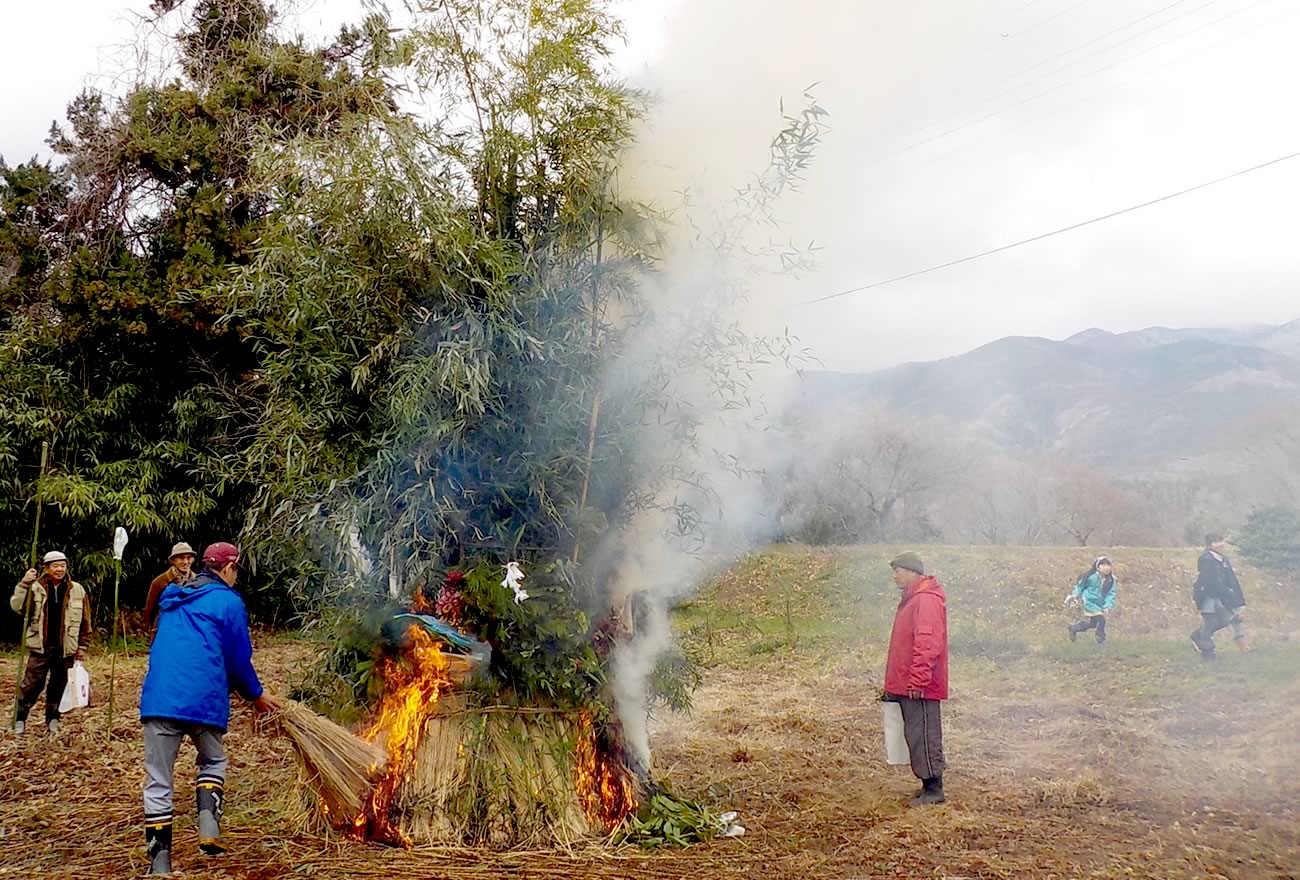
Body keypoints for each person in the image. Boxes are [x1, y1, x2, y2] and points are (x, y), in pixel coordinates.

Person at [138, 541, 272, 875]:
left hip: (159, 698)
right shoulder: (228, 601)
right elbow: (239, 659)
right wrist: (256, 696)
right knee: (213, 760)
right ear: (227, 568)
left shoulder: (172, 598)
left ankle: (160, 865)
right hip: (204, 698)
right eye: (237, 569)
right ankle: (209, 828)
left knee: (158, 781)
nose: (236, 576)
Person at [883, 551, 948, 806]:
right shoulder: (912, 599)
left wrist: (918, 680)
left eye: (898, 570)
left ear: (912, 572)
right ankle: (926, 785)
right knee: (915, 734)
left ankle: (934, 789)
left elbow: (927, 642)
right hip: (909, 682)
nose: (894, 575)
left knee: (925, 733)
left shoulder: (925, 600)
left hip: (920, 685)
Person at [9, 550, 91, 737]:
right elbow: (18, 608)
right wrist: (24, 584)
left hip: (66, 647)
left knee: (58, 685)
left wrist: (83, 645)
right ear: (46, 568)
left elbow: (85, 620)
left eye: (63, 565)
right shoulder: (35, 587)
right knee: (31, 685)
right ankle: (20, 719)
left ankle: (53, 719)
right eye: (55, 566)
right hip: (40, 646)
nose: (60, 569)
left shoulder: (77, 589)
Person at [1190, 532, 1249, 660]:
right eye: (1216, 542)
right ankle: (1207, 653)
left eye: (1221, 541)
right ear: (1209, 544)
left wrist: (1233, 595)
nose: (1220, 544)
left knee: (1225, 620)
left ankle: (1198, 635)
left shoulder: (1222, 558)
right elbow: (1210, 581)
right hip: (1208, 595)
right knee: (1209, 622)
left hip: (1220, 596)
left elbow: (1230, 579)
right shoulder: (1206, 559)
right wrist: (1225, 594)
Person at [143, 542, 196, 636]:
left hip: (188, 628)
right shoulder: (160, 581)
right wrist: (149, 627)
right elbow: (150, 609)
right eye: (181, 558)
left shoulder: (196, 581)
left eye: (188, 558)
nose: (185, 562)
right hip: (165, 627)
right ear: (173, 560)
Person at [1066, 556, 1118, 644]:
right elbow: (1080, 587)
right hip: (1088, 601)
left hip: (1099, 604)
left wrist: (1107, 606)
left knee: (1093, 624)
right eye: (1103, 565)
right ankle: (1100, 638)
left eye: (1108, 565)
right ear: (1098, 567)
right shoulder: (1091, 577)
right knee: (1101, 619)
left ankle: (1074, 628)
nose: (1106, 568)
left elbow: (1111, 594)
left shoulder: (1110, 580)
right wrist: (1075, 595)